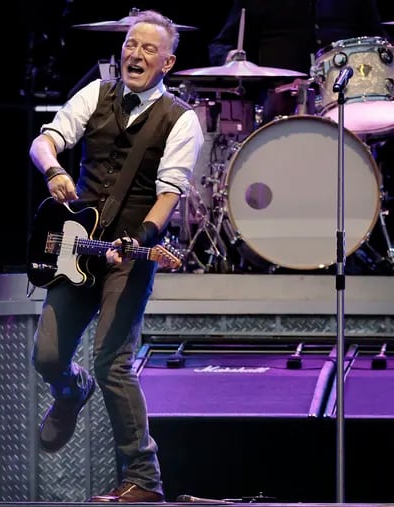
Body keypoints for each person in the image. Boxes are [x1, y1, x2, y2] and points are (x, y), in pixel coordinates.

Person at [28, 10, 203, 503]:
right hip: (76, 246)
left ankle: (144, 478)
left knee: (113, 361)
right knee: (47, 355)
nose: (136, 54)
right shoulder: (95, 94)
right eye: (131, 44)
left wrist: (143, 235)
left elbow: (169, 193)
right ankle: (70, 389)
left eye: (149, 49)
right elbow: (45, 142)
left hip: (129, 252)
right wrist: (53, 171)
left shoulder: (180, 118)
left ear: (167, 62)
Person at [208, 0, 388, 120]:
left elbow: (381, 44)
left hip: (350, 99)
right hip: (281, 102)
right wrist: (230, 57)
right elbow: (221, 45)